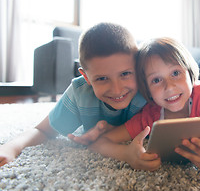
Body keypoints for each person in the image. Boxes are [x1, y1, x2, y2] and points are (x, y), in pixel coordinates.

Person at [89, 37, 200, 171]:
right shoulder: (150, 115)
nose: (169, 87)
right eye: (156, 80)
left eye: (175, 73)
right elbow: (100, 142)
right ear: (147, 89)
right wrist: (126, 154)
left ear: (189, 71)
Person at [0, 22, 147, 167]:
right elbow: (42, 130)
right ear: (86, 77)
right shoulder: (80, 94)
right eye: (102, 78)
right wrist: (11, 147)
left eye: (125, 74)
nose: (116, 90)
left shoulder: (149, 87)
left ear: (139, 67)